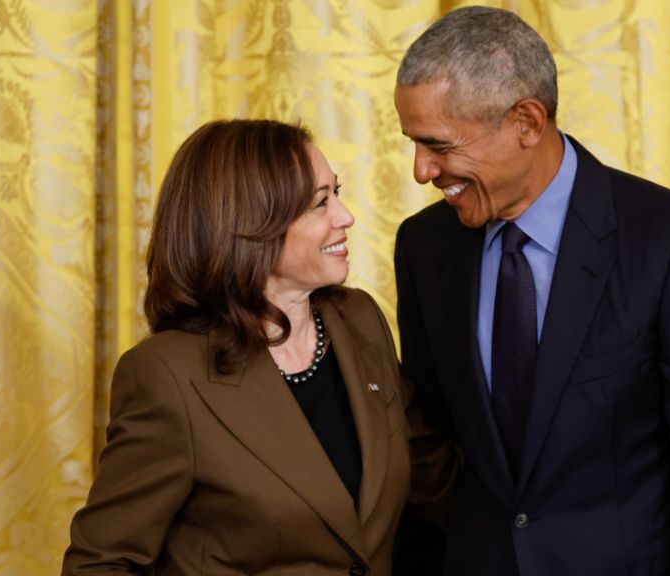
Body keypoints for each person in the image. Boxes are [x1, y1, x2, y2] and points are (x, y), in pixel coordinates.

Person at [392, 6, 670, 575]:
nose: (421, 171)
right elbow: (430, 449)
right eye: (413, 144)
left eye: (439, 145)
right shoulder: (424, 246)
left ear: (526, 121)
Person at [63, 119, 411, 575]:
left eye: (337, 193)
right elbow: (100, 564)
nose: (345, 216)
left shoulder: (359, 319)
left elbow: (416, 487)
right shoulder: (167, 375)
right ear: (250, 225)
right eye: (319, 203)